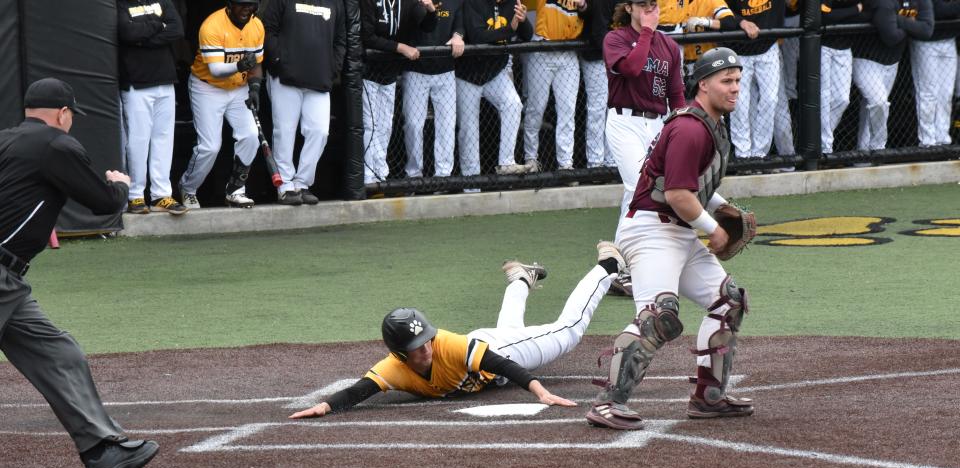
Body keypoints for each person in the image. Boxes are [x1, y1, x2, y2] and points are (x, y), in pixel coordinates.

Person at [0, 78, 159, 468]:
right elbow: (104, 204)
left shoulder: (7, 141)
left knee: (59, 354)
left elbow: (20, 194)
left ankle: (101, 450)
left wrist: (34, 225)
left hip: (10, 282)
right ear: (63, 113)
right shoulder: (57, 144)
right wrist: (121, 185)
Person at [586, 48, 754, 430]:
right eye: (726, 81)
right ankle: (608, 402)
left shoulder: (708, 123)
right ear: (704, 84)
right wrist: (716, 229)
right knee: (657, 317)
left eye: (737, 81)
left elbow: (691, 187)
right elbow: (679, 194)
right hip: (650, 230)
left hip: (673, 228)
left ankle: (709, 396)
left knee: (728, 302)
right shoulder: (690, 128)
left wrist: (724, 208)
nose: (734, 89)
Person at [288, 242, 627, 418]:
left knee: (567, 332)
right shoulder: (394, 369)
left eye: (426, 340)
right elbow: (359, 391)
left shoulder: (446, 344)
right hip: (490, 352)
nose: (427, 348)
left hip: (505, 352)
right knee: (510, 326)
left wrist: (541, 392)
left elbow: (504, 366)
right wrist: (326, 406)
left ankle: (607, 266)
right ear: (399, 355)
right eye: (418, 347)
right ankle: (522, 277)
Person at [179, 0, 265, 209]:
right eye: (242, 4)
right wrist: (240, 65)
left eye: (251, 5)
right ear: (230, 5)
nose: (247, 9)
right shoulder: (212, 25)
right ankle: (188, 188)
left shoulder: (257, 25)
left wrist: (254, 87)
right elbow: (216, 70)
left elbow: (257, 63)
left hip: (238, 88)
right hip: (207, 87)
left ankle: (235, 190)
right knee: (210, 146)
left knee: (251, 136)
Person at [603, 0, 685, 219]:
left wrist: (682, 130)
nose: (649, 8)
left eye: (653, 4)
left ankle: (620, 247)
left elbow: (676, 95)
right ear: (629, 8)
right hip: (625, 121)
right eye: (642, 4)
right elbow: (631, 68)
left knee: (641, 190)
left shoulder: (669, 46)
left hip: (658, 123)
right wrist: (647, 31)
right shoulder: (615, 38)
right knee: (640, 185)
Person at [262, 0, 346, 206]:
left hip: (319, 78)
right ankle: (285, 185)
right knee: (285, 131)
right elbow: (267, 30)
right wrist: (279, 61)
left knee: (319, 131)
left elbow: (340, 39)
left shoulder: (336, 3)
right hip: (285, 78)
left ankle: (302, 183)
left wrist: (332, 68)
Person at [117, 0, 189, 216]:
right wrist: (159, 24)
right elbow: (127, 33)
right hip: (136, 83)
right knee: (138, 141)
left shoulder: (164, 1)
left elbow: (177, 29)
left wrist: (143, 37)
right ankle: (135, 195)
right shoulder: (120, 3)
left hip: (166, 80)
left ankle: (161, 194)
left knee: (164, 139)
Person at [361, 0, 438, 187]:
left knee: (385, 126)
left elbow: (427, 27)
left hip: (390, 74)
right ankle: (368, 177)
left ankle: (380, 175)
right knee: (370, 125)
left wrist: (430, 10)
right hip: (367, 72)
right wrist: (400, 47)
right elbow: (367, 36)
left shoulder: (409, 2)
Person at [457, 0, 533, 180]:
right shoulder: (472, 3)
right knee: (469, 129)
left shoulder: (513, 3)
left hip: (494, 72)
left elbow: (527, 36)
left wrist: (522, 21)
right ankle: (471, 181)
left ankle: (507, 162)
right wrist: (511, 28)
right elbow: (477, 36)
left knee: (513, 105)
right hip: (467, 75)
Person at [851, 0, 932, 153]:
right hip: (866, 60)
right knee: (878, 102)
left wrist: (899, 21)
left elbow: (927, 30)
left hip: (892, 62)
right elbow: (891, 37)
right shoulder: (885, 2)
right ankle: (878, 148)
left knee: (872, 108)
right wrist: (911, 26)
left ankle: (863, 154)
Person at [402, 0, 465, 182]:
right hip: (415, 69)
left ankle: (443, 175)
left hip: (445, 69)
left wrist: (458, 35)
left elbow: (460, 23)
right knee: (413, 124)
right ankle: (414, 174)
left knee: (446, 125)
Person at [522, 0, 588, 172]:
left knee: (567, 111)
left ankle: (565, 163)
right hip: (543, 48)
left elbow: (591, 13)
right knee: (535, 109)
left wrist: (582, 6)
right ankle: (531, 159)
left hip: (569, 52)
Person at [726, 0, 785, 162]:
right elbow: (720, 9)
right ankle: (743, 154)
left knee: (770, 100)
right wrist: (741, 21)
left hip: (768, 47)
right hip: (739, 49)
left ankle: (760, 154)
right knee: (739, 104)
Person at [910, 0, 960, 146]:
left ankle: (942, 139)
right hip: (925, 43)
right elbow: (938, 11)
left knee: (946, 94)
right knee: (928, 93)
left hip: (949, 40)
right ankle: (927, 141)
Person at [820, 0, 863, 155]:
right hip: (823, 46)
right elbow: (824, 17)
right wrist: (854, 10)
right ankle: (825, 147)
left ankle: (821, 137)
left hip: (845, 48)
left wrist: (841, 14)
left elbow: (864, 14)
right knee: (824, 97)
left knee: (842, 99)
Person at [579, 0, 618, 169]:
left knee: (615, 110)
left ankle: (612, 161)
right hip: (596, 57)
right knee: (598, 110)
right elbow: (598, 32)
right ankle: (596, 163)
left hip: (617, 58)